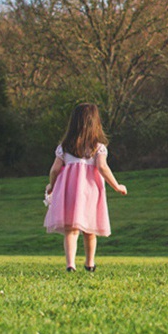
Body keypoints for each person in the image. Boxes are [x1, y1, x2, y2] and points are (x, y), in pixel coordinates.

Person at [44, 103, 127, 272]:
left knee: (71, 230)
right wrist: (116, 186)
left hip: (69, 192)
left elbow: (54, 169)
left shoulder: (64, 147)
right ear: (96, 123)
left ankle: (70, 264)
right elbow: (103, 168)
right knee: (90, 229)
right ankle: (89, 264)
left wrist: (51, 186)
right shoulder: (98, 147)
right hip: (90, 192)